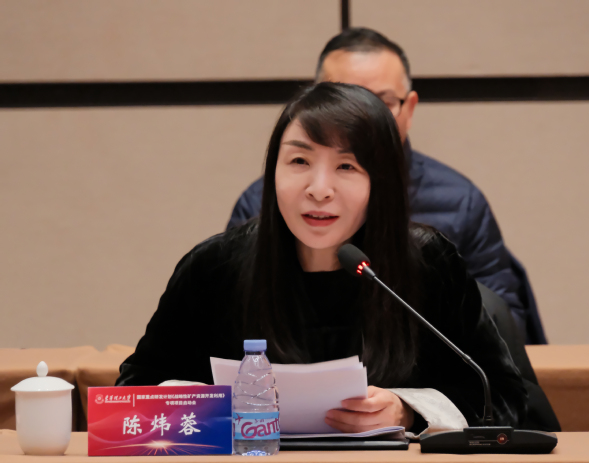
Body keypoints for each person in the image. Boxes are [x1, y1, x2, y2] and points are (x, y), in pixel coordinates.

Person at [117, 83, 527, 434]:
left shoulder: (428, 265)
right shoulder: (214, 268)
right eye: (299, 161)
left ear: (381, 182)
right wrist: (212, 410)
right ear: (272, 171)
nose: (319, 188)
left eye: (346, 166)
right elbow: (131, 397)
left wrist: (408, 411)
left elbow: (503, 398)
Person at [226, 28, 546, 344]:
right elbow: (230, 315)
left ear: (410, 108)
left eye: (383, 101)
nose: (363, 116)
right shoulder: (261, 201)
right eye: (343, 96)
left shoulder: (460, 201)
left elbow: (502, 324)